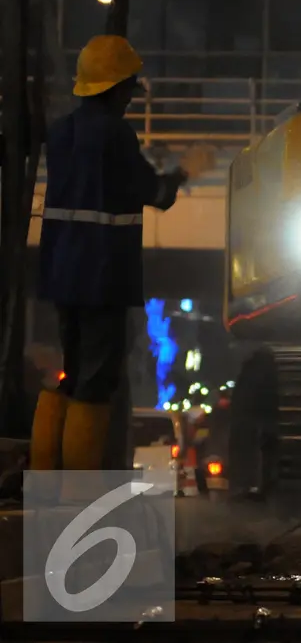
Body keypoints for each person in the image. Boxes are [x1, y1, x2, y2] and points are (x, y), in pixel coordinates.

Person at [30, 35, 197, 477]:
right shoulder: (115, 134)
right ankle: (80, 492)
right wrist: (183, 171)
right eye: (128, 90)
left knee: (70, 374)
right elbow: (156, 194)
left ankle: (47, 476)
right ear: (116, 88)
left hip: (62, 275)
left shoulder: (61, 132)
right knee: (97, 382)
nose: (129, 100)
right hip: (103, 276)